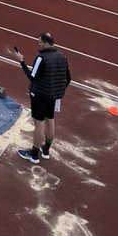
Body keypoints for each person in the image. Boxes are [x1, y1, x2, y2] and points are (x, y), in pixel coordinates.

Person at [13, 32, 72, 163]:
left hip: (39, 95)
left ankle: (34, 154)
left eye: (39, 42)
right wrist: (57, 91)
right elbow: (68, 78)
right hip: (53, 95)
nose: (38, 45)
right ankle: (46, 150)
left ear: (46, 44)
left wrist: (22, 62)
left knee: (39, 123)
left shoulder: (41, 58)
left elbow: (32, 77)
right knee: (50, 120)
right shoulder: (62, 57)